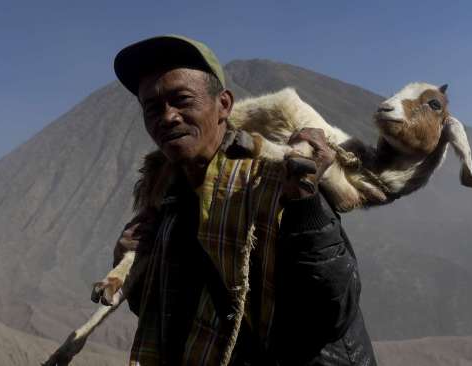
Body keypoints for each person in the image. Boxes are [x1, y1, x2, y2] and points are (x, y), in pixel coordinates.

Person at [112, 35, 376, 366]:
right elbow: (170, 314)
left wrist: (306, 207)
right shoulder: (169, 203)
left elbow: (332, 312)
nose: (168, 117)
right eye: (152, 108)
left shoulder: (274, 180)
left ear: (223, 104)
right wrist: (132, 265)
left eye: (181, 100)